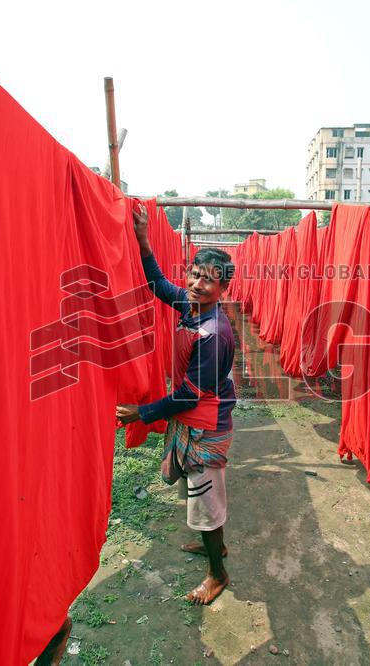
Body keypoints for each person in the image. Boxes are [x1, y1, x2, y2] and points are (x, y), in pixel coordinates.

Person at [116, 203, 237, 605]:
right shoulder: (191, 305)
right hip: (192, 417)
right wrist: (144, 242)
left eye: (210, 281)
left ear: (223, 291)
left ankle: (217, 573)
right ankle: (210, 545)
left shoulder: (213, 331)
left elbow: (187, 394)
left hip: (205, 423)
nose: (198, 284)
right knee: (192, 485)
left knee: (206, 497)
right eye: (196, 274)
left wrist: (143, 412)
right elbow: (159, 286)